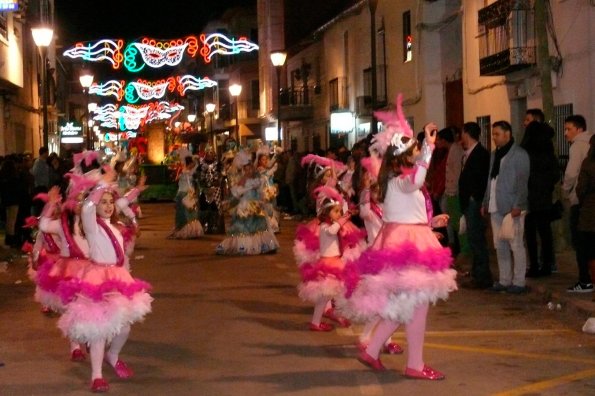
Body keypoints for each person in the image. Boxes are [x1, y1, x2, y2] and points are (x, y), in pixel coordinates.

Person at [342, 97, 457, 379]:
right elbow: (417, 182)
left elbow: (407, 212)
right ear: (406, 155)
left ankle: (373, 352)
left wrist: (431, 222)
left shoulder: (396, 180)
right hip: (407, 246)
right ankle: (413, 364)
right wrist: (429, 147)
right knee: (414, 306)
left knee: (406, 305)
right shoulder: (399, 180)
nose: (419, 154)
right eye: (416, 151)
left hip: (409, 238)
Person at [56, 172, 152, 392]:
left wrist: (136, 189)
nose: (108, 206)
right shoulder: (92, 225)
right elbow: (89, 206)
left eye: (110, 202)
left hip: (118, 277)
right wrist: (100, 185)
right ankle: (96, 376)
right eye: (104, 202)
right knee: (99, 330)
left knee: (124, 328)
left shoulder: (115, 226)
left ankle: (113, 355)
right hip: (97, 278)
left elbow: (122, 201)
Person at [482, 121, 530, 294]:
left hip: (512, 206)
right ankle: (504, 279)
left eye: (497, 134)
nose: (494, 137)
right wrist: (486, 201)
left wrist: (518, 204)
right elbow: (490, 179)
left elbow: (522, 182)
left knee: (515, 244)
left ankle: (519, 281)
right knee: (499, 244)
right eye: (493, 134)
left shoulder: (519, 154)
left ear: (507, 134)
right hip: (496, 204)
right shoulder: (495, 155)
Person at [298, 188, 352, 331]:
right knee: (328, 296)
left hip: (335, 261)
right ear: (326, 212)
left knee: (333, 295)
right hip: (328, 264)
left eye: (339, 211)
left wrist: (344, 218)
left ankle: (325, 319)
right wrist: (343, 220)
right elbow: (332, 231)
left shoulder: (333, 225)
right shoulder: (324, 227)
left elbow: (339, 232)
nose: (338, 214)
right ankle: (318, 321)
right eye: (335, 211)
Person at [216, 150, 279, 255]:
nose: (248, 171)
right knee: (244, 227)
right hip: (245, 206)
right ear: (244, 170)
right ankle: (245, 246)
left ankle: (262, 245)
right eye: (246, 169)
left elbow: (260, 190)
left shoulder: (257, 177)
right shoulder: (242, 180)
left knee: (259, 226)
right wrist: (229, 202)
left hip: (256, 205)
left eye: (250, 168)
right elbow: (236, 193)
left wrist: (263, 199)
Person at [521, 121, 559, 277]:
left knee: (530, 233)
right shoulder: (548, 151)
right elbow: (555, 174)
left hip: (529, 196)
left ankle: (534, 265)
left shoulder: (526, 151)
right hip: (544, 196)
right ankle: (547, 265)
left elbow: (522, 175)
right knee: (545, 232)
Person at [562, 115, 595, 292]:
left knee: (581, 243)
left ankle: (585, 280)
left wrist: (566, 190)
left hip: (581, 202)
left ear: (579, 129)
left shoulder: (577, 147)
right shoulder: (590, 143)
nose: (566, 133)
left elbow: (571, 173)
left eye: (568, 129)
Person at [459, 122, 493, 289]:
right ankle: (477, 273)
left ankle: (482, 276)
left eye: (462, 133)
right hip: (468, 202)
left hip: (474, 202)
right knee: (473, 239)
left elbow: (480, 179)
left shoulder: (480, 154)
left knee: (477, 239)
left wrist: (474, 198)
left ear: (467, 134)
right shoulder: (468, 154)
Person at [576, 135, 595, 301]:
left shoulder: (588, 164)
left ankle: (588, 282)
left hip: (590, 214)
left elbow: (581, 188)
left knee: (588, 251)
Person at [169, 156, 203, 239]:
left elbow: (196, 166)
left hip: (187, 194)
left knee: (191, 213)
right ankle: (186, 231)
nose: (193, 165)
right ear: (189, 163)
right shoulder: (185, 172)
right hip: (184, 194)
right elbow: (185, 184)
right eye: (192, 163)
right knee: (186, 214)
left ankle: (190, 231)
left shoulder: (186, 172)